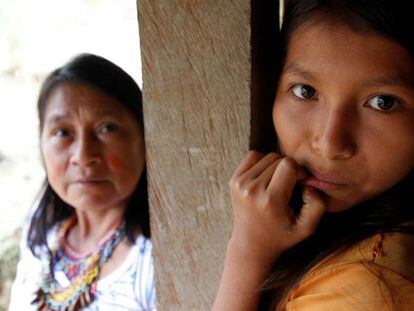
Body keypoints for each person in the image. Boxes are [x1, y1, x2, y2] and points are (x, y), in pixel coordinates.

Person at [214, 0, 414, 310]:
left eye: (383, 103)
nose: (330, 143)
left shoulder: (368, 287)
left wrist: (246, 255)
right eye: (305, 91)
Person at [9, 54, 155, 311]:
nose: (84, 156)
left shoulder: (153, 261)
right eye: (63, 132)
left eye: (107, 128)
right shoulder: (42, 228)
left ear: (144, 137)